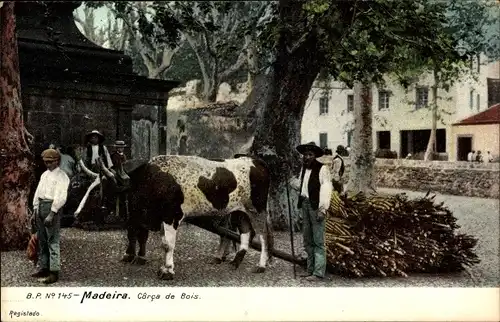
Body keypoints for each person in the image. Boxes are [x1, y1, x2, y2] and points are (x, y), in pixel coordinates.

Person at [31, 148, 70, 284]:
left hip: (52, 207)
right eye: (45, 162)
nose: (48, 164)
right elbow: (38, 192)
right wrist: (35, 208)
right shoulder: (44, 175)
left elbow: (61, 196)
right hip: (41, 206)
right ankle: (44, 267)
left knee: (52, 240)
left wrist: (52, 213)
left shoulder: (62, 176)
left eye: (50, 162)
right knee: (42, 239)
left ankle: (54, 272)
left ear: (57, 161)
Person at [295, 141, 333, 282]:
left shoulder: (322, 169)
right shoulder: (304, 169)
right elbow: (301, 186)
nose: (307, 157)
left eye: (310, 154)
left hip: (316, 206)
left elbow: (326, 188)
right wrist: (292, 183)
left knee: (318, 240)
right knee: (307, 239)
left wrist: (323, 209)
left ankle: (318, 272)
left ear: (315, 156)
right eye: (305, 154)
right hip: (305, 204)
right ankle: (310, 269)